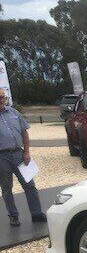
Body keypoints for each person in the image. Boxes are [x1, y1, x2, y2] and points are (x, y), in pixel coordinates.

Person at [0, 88, 45, 227]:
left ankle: (36, 213)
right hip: (2, 157)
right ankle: (13, 216)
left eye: (2, 97)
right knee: (7, 188)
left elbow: (24, 132)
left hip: (19, 154)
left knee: (30, 185)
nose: (1, 99)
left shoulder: (14, 113)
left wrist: (26, 152)